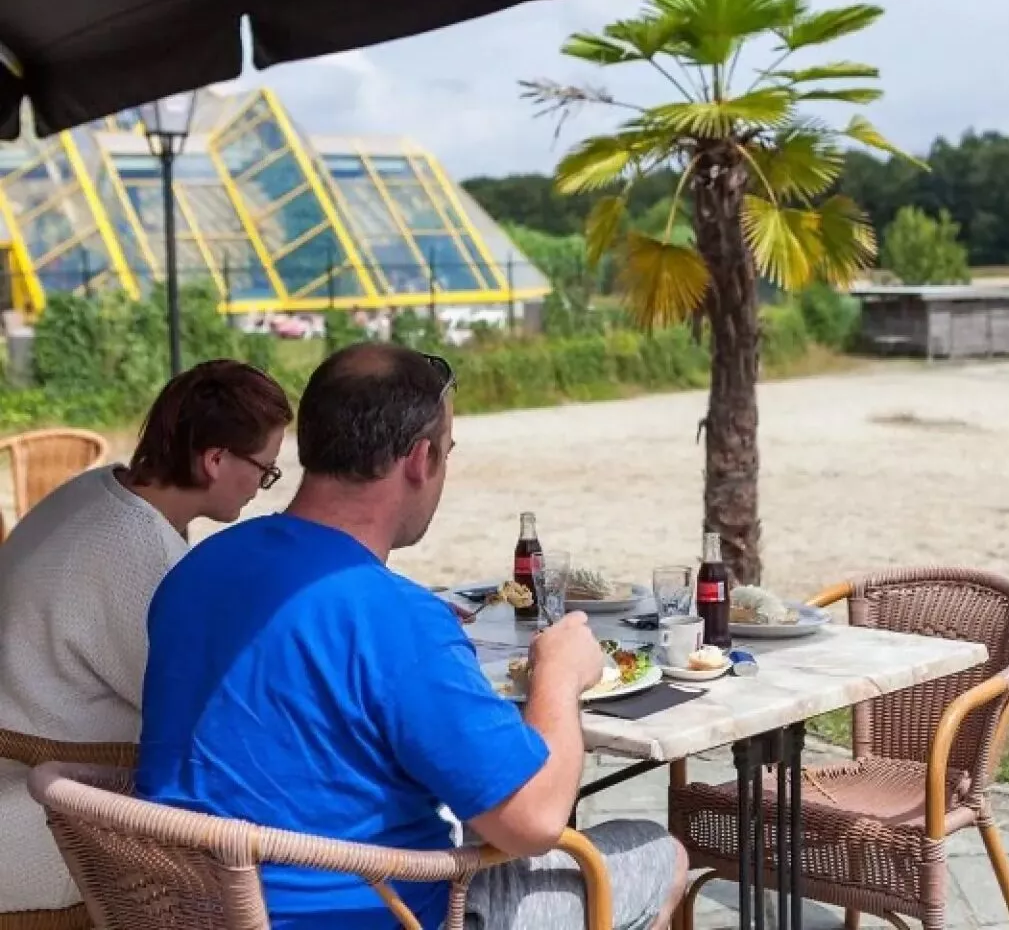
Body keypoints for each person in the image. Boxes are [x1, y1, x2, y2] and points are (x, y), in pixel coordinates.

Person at [137, 344, 686, 930]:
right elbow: (533, 821)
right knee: (660, 854)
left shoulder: (197, 570)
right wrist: (560, 674)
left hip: (191, 908)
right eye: (447, 451)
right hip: (386, 915)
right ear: (421, 460)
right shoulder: (396, 617)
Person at [0, 359, 292, 916]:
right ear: (215, 460)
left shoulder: (94, 491)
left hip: (36, 785)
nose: (262, 486)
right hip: (48, 824)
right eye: (265, 470)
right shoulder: (145, 554)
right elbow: (210, 719)